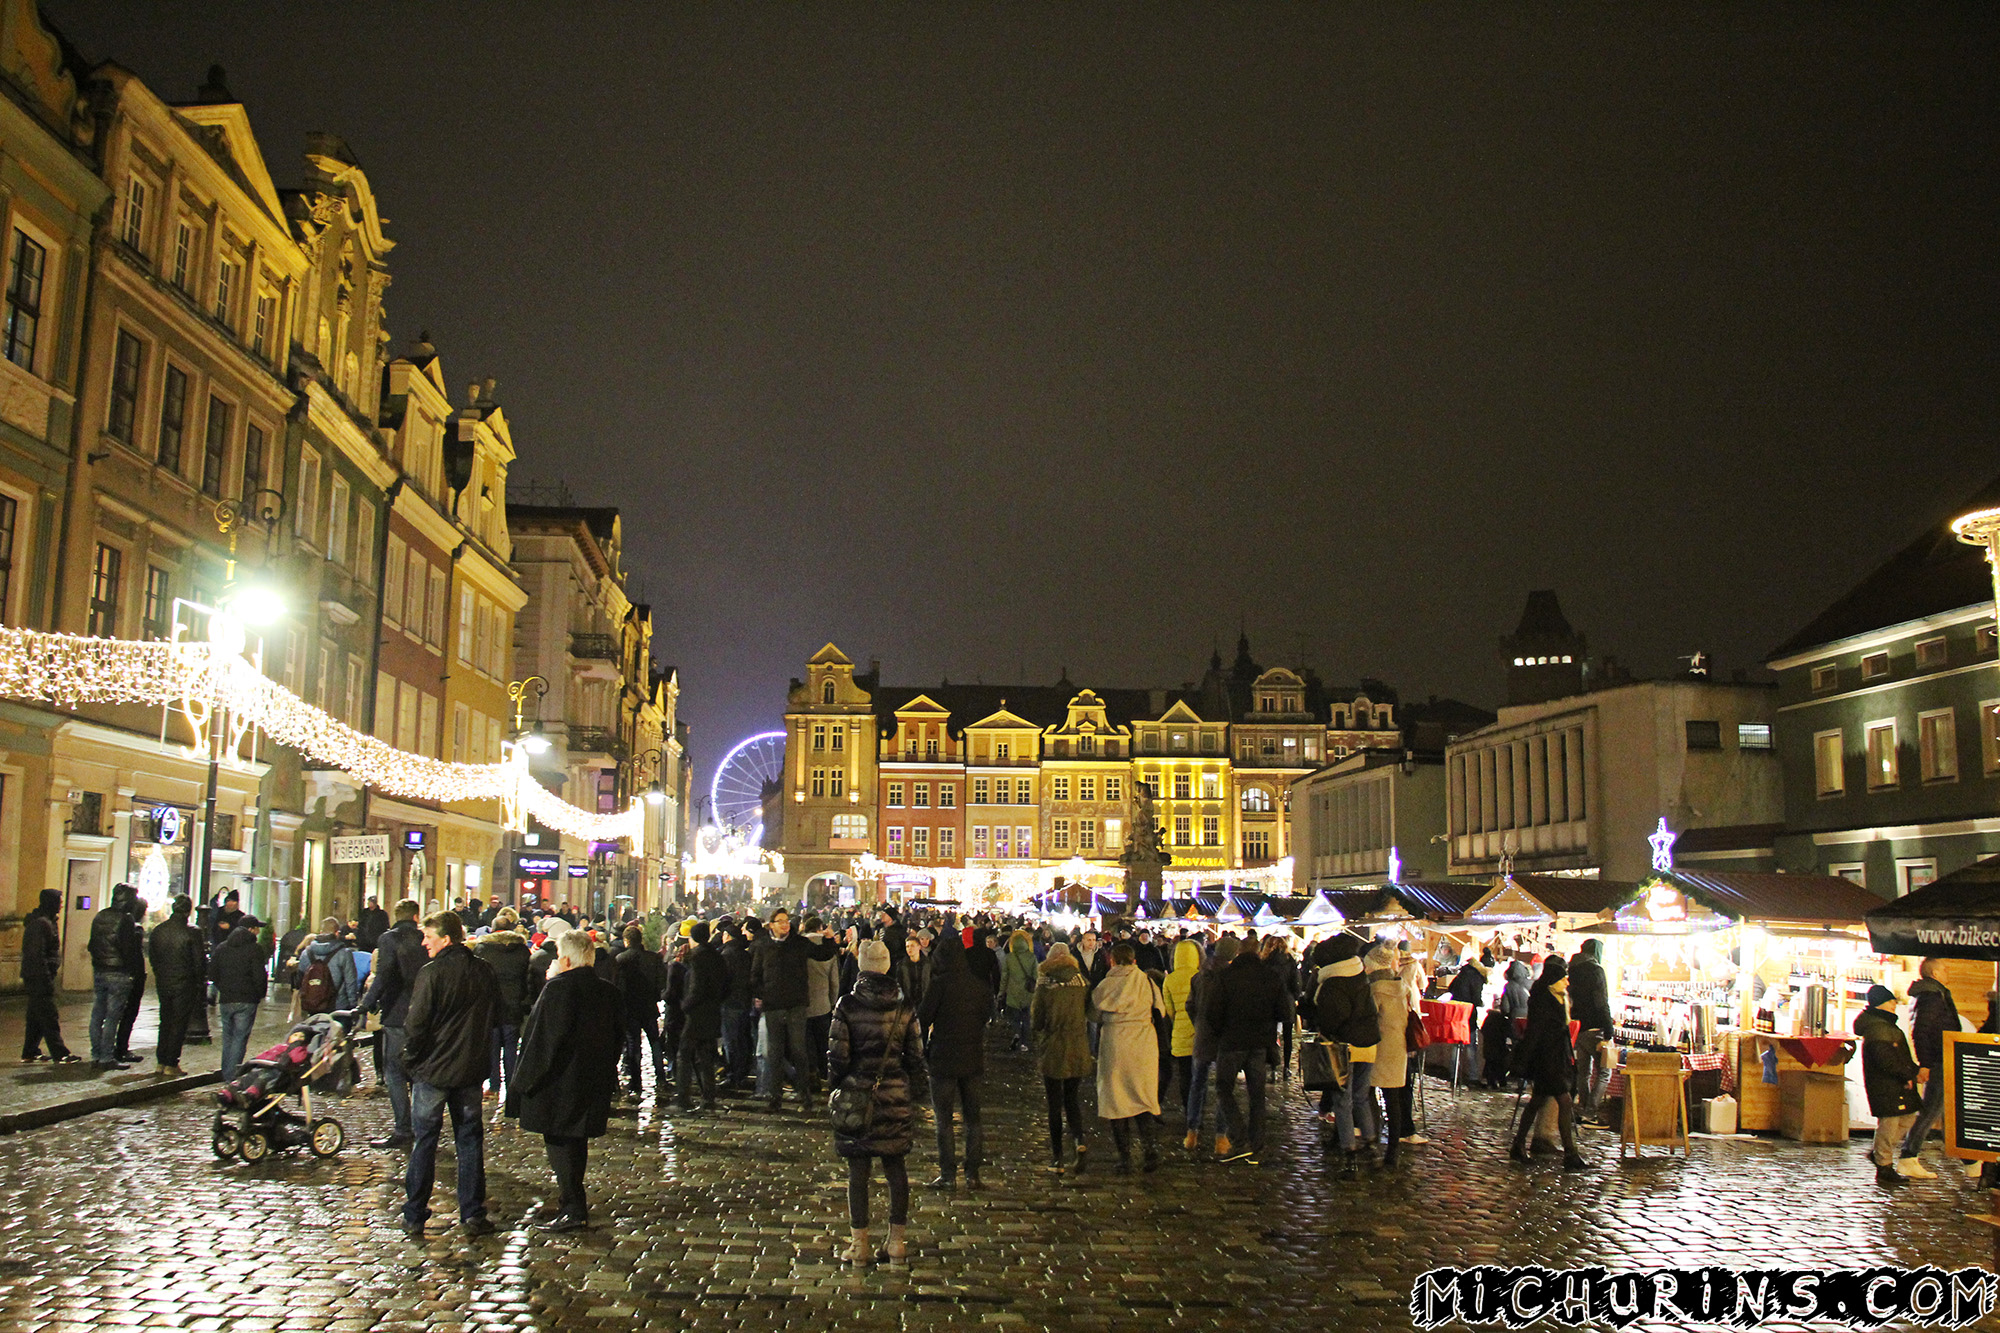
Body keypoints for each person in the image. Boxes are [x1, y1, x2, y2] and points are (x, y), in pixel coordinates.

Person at [507, 927, 624, 1231]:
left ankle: (573, 1207)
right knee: (576, 1145)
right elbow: (617, 1040)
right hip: (591, 1082)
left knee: (560, 1147)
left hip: (559, 1085)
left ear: (567, 960)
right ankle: (569, 1203)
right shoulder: (607, 990)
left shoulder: (559, 989)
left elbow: (544, 1042)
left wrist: (522, 1084)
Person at [400, 911, 502, 1240]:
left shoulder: (432, 973)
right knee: (469, 1141)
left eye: (428, 937)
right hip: (469, 1071)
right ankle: (472, 1212)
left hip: (432, 1071)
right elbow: (496, 1015)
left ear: (445, 939)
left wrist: (410, 1062)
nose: (423, 943)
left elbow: (416, 1025)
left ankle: (415, 1213)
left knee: (425, 1142)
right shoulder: (483, 971)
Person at [828, 937, 926, 1265]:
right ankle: (896, 1242)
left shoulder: (848, 1005)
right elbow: (915, 1056)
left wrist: (837, 1085)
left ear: (861, 967)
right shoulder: (905, 1005)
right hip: (895, 1093)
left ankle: (860, 1245)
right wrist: (911, 1090)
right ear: (887, 967)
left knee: (859, 1170)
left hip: (858, 1093)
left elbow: (838, 1057)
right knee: (895, 1166)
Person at [917, 930, 993, 1189]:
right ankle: (973, 1173)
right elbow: (986, 1015)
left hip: (943, 1058)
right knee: (973, 1119)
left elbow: (923, 1017)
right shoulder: (978, 985)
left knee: (944, 1119)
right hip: (972, 1058)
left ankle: (948, 1174)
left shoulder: (939, 985)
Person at [1210, 933, 1293, 1163]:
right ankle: (1256, 1145)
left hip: (1232, 1042)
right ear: (1257, 952)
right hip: (1259, 1043)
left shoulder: (1226, 976)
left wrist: (1221, 1032)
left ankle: (1239, 1137)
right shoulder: (1271, 976)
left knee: (1223, 1088)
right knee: (1257, 1095)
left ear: (1238, 953)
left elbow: (1213, 1012)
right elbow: (1284, 1013)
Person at [749, 908, 839, 1113]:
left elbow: (823, 954)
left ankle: (805, 1095)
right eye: (780, 921)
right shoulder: (763, 946)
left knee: (799, 1051)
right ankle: (775, 1097)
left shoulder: (799, 943)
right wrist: (762, 994)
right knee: (775, 1052)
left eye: (786, 920)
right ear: (771, 925)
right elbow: (755, 975)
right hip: (773, 1005)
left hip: (796, 1005)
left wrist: (829, 939)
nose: (785, 924)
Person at [1089, 943, 1166, 1174]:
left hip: (1116, 1044)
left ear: (1112, 961)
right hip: (1143, 1043)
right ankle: (1150, 1150)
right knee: (1142, 1096)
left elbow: (1093, 1012)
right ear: (1134, 961)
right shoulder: (1147, 981)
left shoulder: (1106, 984)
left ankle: (1124, 1158)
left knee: (1117, 1100)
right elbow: (1160, 1010)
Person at [1507, 956, 1587, 1171]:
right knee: (1564, 1101)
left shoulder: (1557, 997)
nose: (1567, 982)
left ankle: (1518, 1144)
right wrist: (1524, 1061)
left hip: (1556, 1058)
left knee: (1537, 1102)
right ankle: (1571, 1154)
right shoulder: (1544, 998)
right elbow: (1536, 1032)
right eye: (1563, 978)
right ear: (1554, 979)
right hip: (1546, 1059)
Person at [1313, 934, 1379, 1178]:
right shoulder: (1360, 977)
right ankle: (1372, 1148)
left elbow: (1333, 1019)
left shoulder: (1332, 983)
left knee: (1343, 1100)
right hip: (1368, 1045)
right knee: (1361, 1097)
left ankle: (1349, 1155)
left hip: (1345, 1047)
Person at [1033, 941, 1094, 1172]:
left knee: (1054, 1104)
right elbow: (1090, 1011)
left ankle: (1057, 1157)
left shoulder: (1045, 981)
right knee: (1072, 1100)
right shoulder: (1081, 981)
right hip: (1077, 1045)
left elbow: (1037, 1019)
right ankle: (1079, 1141)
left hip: (1054, 1047)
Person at [1856, 984, 1924, 1188]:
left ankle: (1880, 1155)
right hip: (1887, 1085)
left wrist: (1912, 1071)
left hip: (1892, 1084)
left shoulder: (1882, 1025)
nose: (1895, 1004)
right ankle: (1883, 1165)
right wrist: (1910, 1072)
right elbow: (1887, 1060)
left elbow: (1896, 1056)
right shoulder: (1879, 1028)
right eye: (1891, 1000)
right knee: (1890, 1122)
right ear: (1882, 1004)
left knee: (1906, 1118)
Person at [1898, 959, 1958, 1178]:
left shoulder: (1928, 994)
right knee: (1933, 1109)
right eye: (1944, 968)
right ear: (1934, 972)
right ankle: (1908, 1155)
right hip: (1939, 1059)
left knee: (1944, 1108)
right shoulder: (1933, 997)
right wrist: (1926, 1063)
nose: (1948, 971)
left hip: (1940, 1058)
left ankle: (1970, 1159)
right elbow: (1921, 1032)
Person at [474, 909, 534, 1103]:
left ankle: (493, 1085)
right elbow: (528, 979)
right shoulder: (522, 950)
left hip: (491, 1005)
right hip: (514, 1004)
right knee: (510, 1046)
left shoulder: (483, 950)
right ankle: (512, 1085)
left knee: (492, 1046)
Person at [1186, 935, 1239, 1152]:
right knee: (1224, 1087)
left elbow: (1190, 1005)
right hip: (1225, 1039)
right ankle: (1221, 1137)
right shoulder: (1233, 979)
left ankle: (1192, 1132)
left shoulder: (1200, 977)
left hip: (1202, 1037)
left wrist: (1199, 1024)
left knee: (1197, 1085)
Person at [1365, 941, 1413, 1167]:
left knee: (1367, 1093)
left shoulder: (1375, 989)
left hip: (1378, 1047)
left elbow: (1370, 1020)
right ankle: (1393, 1148)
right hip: (1398, 1047)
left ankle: (1371, 1139)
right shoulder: (1402, 988)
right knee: (1393, 1098)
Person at [146, 895, 205, 1077]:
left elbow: (153, 956)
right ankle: (171, 1062)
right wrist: (198, 981)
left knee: (165, 1020)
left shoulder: (159, 930)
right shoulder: (192, 932)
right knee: (179, 1023)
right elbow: (198, 962)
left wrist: (160, 973)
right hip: (184, 982)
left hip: (164, 981)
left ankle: (161, 1061)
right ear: (188, 911)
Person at [87, 884, 143, 1070]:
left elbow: (91, 944)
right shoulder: (125, 919)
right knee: (112, 1016)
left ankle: (96, 1054)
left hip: (100, 969)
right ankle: (106, 1057)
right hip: (118, 972)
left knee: (97, 1014)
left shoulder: (100, 915)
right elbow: (127, 948)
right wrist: (132, 971)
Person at [19, 889, 78, 1064]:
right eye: (59, 900)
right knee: (48, 1015)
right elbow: (36, 955)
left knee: (36, 1015)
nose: (62, 904)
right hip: (38, 977)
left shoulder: (47, 922)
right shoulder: (41, 924)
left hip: (40, 976)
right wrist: (44, 979)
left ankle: (30, 1051)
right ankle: (61, 1053)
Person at [209, 914, 268, 1080]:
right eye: (256, 928)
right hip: (246, 1000)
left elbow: (213, 973)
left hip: (226, 999)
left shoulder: (222, 947)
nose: (257, 932)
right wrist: (259, 994)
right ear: (250, 929)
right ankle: (232, 1077)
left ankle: (226, 1072)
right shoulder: (254, 949)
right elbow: (259, 976)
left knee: (228, 1037)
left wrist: (223, 988)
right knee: (239, 1038)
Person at [614, 924, 669, 1101]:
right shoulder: (653, 958)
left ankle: (636, 1083)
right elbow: (661, 982)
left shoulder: (621, 959)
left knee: (633, 1045)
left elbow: (618, 987)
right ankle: (661, 1078)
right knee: (655, 1042)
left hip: (631, 1008)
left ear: (627, 941)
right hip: (648, 1007)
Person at [677, 921, 726, 1112]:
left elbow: (696, 988)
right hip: (712, 1013)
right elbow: (725, 984)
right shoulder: (717, 957)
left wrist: (686, 1005)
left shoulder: (697, 958)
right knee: (706, 1057)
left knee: (684, 1054)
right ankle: (708, 1097)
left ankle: (683, 1098)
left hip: (696, 1015)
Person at [1567, 938, 1615, 1114]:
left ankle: (1582, 1105)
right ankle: (1591, 1109)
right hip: (1596, 1027)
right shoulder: (1596, 971)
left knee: (1583, 1071)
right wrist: (1609, 1029)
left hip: (1578, 1027)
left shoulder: (1573, 970)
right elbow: (1601, 1001)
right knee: (1604, 1072)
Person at [1161, 938, 1201, 1137]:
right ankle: (1198, 1114)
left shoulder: (1170, 979)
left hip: (1179, 1033)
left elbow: (1168, 1010)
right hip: (1199, 1034)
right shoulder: (1200, 976)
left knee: (1185, 1077)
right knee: (1199, 1077)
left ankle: (1188, 1111)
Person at [717, 920, 755, 1089]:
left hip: (730, 1003)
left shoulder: (725, 956)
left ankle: (733, 1074)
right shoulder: (745, 954)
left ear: (726, 936)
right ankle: (742, 1072)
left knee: (731, 1041)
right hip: (745, 1002)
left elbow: (722, 982)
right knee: (742, 1039)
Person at [804, 915, 840, 1085]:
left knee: (806, 1043)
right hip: (823, 1004)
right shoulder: (829, 948)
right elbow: (834, 981)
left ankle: (811, 1076)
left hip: (803, 1003)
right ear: (820, 928)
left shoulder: (799, 945)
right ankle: (825, 1074)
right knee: (823, 1042)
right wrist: (833, 1002)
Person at [1000, 929, 1038, 1052]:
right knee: (1026, 1018)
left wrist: (1002, 991)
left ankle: (1016, 1033)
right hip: (1028, 992)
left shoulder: (1009, 958)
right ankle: (1024, 1043)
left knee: (1014, 1018)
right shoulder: (1031, 957)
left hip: (1013, 992)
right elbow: (1036, 976)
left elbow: (1005, 976)